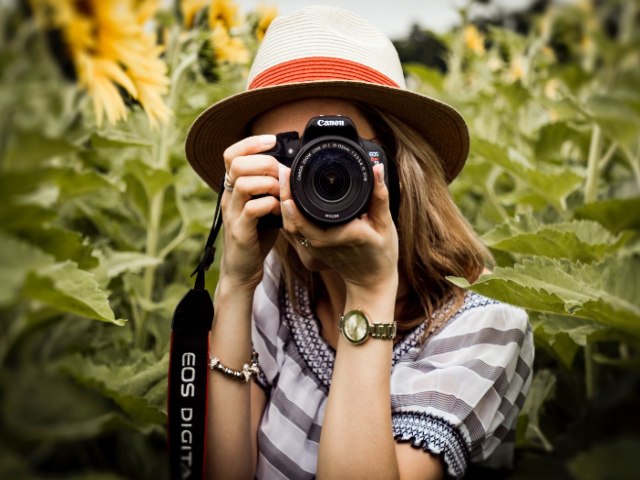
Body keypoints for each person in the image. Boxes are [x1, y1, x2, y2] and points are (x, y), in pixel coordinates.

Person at [185, 5, 534, 479]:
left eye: (339, 153)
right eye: (288, 153)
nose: (313, 176)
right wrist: (235, 280)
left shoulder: (487, 324)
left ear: (398, 165)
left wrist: (370, 293)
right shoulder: (275, 282)